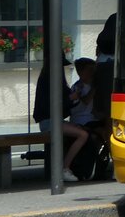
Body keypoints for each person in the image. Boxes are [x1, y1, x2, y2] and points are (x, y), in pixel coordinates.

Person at [33, 55, 89, 183]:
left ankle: (65, 166)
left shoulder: (47, 79)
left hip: (50, 120)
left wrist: (72, 98)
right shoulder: (51, 81)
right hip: (50, 121)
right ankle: (65, 167)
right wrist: (71, 98)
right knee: (83, 135)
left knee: (80, 131)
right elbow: (54, 105)